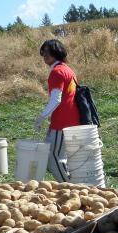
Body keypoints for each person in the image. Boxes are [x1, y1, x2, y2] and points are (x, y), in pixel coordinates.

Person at [35, 39, 81, 182]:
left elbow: (56, 99)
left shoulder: (57, 72)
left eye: (48, 52)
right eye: (43, 53)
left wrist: (42, 117)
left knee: (54, 158)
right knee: (55, 157)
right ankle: (73, 184)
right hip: (69, 120)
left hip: (62, 122)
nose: (44, 56)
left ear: (56, 52)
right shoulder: (67, 69)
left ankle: (71, 188)